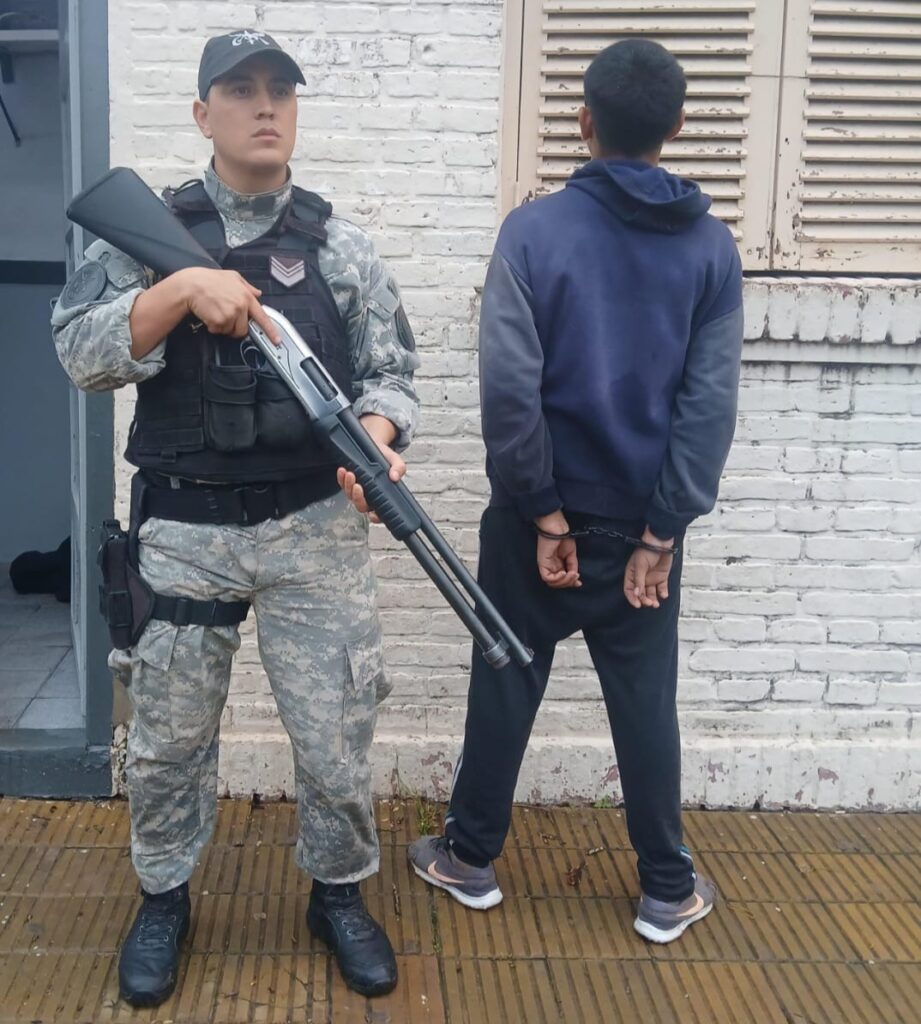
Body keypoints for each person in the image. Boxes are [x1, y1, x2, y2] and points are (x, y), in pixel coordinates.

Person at [52, 30, 419, 1005]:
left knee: (336, 731)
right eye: (241, 90)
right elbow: (81, 354)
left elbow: (390, 372)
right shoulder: (143, 234)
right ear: (201, 113)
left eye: (280, 92)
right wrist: (179, 290)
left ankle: (338, 894)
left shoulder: (341, 245)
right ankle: (163, 896)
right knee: (169, 738)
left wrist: (377, 436)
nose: (265, 107)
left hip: (315, 528)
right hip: (185, 530)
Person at [406, 38, 744, 944]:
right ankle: (665, 888)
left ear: (583, 121)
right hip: (642, 526)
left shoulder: (532, 232)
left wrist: (543, 511)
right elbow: (707, 407)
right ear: (677, 126)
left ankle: (468, 858)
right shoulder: (711, 249)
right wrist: (661, 534)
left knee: (505, 682)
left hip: (535, 522)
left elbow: (509, 390)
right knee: (644, 703)